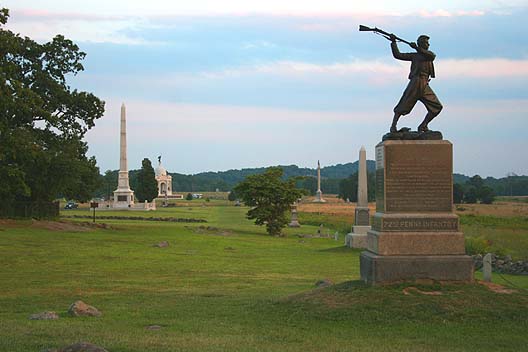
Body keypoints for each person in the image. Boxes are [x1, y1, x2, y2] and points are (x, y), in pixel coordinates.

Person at [390, 34, 443, 133]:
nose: (428, 44)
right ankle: (393, 126)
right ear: (422, 44)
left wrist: (417, 48)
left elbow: (432, 56)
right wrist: (393, 42)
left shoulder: (428, 55)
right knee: (404, 104)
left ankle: (423, 125)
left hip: (425, 83)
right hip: (416, 82)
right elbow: (398, 55)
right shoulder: (415, 56)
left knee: (437, 106)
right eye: (427, 43)